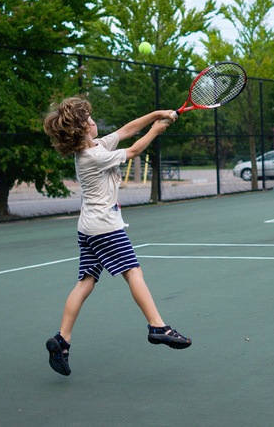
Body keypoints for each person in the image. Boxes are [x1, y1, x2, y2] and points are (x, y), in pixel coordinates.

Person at [42, 96, 191, 376]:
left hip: (88, 228)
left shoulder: (96, 146)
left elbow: (126, 130)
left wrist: (155, 114)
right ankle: (157, 326)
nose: (93, 122)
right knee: (133, 272)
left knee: (86, 282)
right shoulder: (93, 156)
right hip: (105, 228)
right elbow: (134, 150)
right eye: (89, 120)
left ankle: (62, 340)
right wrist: (156, 130)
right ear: (83, 129)